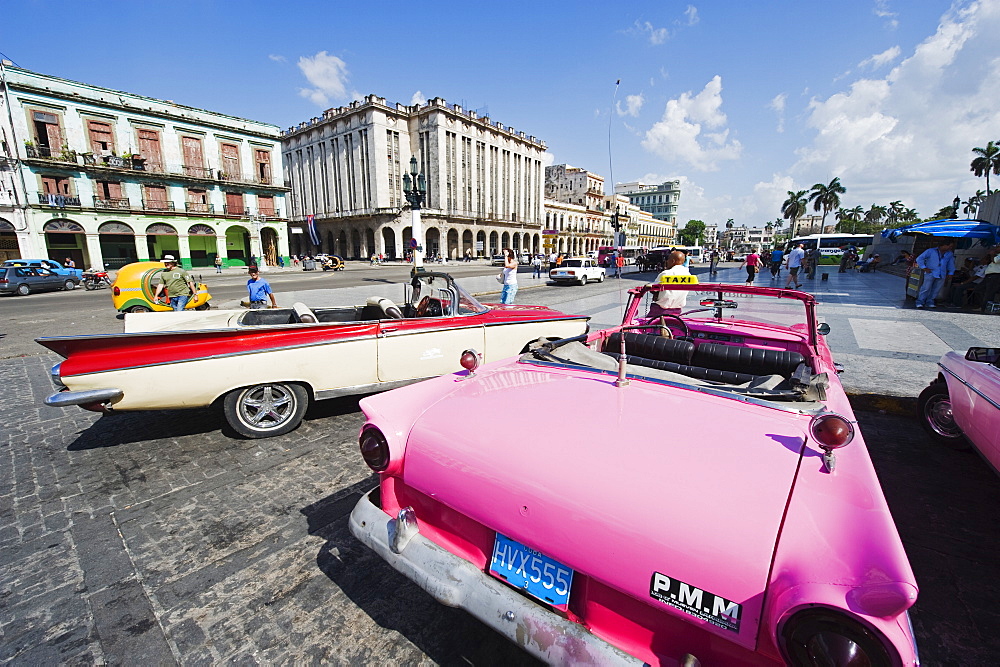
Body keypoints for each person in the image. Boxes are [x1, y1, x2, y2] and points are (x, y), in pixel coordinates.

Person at [646, 250, 691, 319]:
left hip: (660, 311)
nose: (667, 261)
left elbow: (653, 288)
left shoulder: (666, 274)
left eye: (668, 259)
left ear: (672, 261)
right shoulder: (688, 275)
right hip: (677, 311)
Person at [914, 241, 956, 308]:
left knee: (936, 289)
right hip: (931, 272)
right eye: (949, 246)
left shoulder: (949, 254)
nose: (950, 248)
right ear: (944, 245)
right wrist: (924, 268)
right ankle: (920, 301)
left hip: (942, 273)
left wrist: (951, 272)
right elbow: (919, 258)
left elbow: (951, 264)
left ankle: (930, 301)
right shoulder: (931, 251)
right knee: (926, 288)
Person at [970, 245, 1000, 311]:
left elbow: (995, 261)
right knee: (978, 289)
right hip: (989, 275)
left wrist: (992, 254)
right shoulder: (997, 254)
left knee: (989, 293)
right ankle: (982, 305)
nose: (996, 248)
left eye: (998, 247)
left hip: (996, 275)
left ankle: (985, 308)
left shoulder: (998, 256)